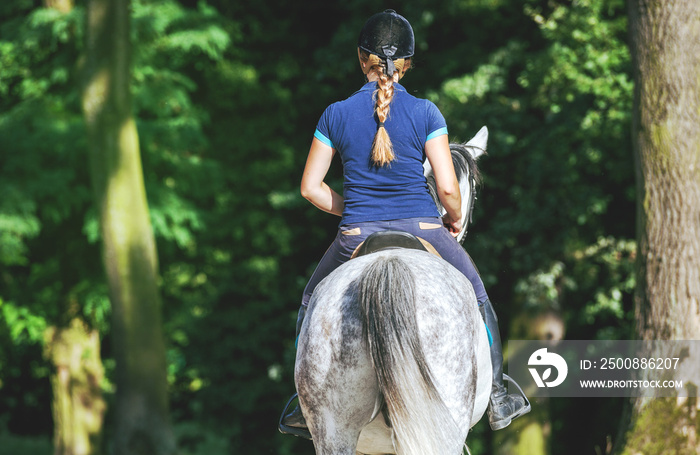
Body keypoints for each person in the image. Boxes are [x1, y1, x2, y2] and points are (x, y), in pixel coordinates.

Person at [279, 10, 529, 438]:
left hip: (355, 234)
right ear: (409, 63)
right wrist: (450, 219)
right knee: (479, 297)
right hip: (425, 229)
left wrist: (352, 209)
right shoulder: (427, 112)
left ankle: (304, 404)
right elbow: (449, 189)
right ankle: (499, 396)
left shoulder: (335, 115)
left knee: (309, 302)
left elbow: (309, 187)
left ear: (362, 60)